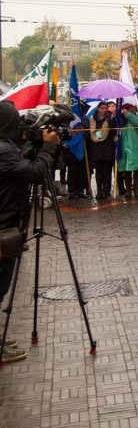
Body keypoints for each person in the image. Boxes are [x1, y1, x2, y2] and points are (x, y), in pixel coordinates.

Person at [0, 100, 60, 363]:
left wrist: (33, 148)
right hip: (4, 226)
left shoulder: (5, 149)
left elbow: (18, 167)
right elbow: (34, 173)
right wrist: (47, 148)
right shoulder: (3, 151)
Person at [117, 103, 138, 197]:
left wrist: (128, 114)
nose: (132, 110)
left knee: (137, 169)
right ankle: (128, 190)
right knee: (127, 171)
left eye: (133, 108)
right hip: (125, 147)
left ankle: (137, 189)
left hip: (136, 147)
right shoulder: (120, 119)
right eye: (129, 108)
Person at [87, 101, 116, 200]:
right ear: (98, 109)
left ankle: (106, 190)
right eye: (102, 108)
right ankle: (99, 190)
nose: (104, 110)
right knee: (98, 172)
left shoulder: (110, 118)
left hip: (107, 147)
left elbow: (114, 130)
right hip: (97, 148)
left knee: (107, 171)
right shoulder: (92, 119)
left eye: (105, 108)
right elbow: (91, 133)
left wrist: (111, 119)